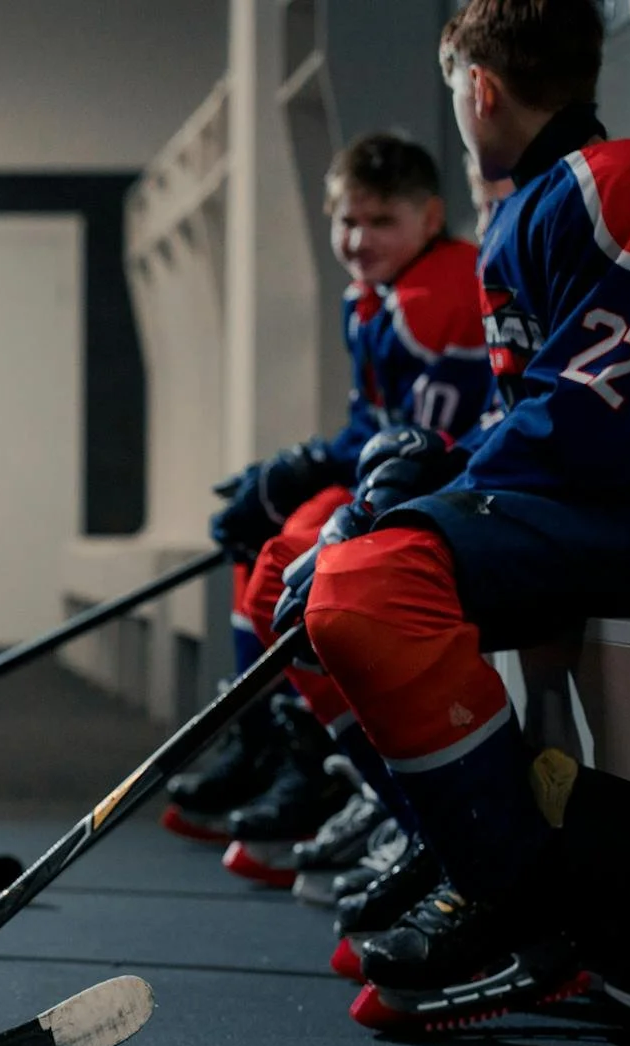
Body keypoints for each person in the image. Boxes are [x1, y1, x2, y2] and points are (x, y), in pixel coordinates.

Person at [277, 0, 630, 1029]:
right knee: (318, 583)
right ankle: (468, 840)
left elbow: (601, 427)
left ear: (477, 89)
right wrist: (443, 469)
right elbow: (565, 415)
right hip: (622, 500)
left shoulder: (624, 181)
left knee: (363, 584)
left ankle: (522, 898)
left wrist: (445, 480)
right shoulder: (562, 193)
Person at [182, 134, 493, 877]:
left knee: (286, 561)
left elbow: (429, 444)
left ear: (430, 216)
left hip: (448, 496)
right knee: (259, 540)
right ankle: (274, 738)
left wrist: (315, 473)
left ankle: (351, 773)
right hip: (399, 478)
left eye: (381, 222)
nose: (359, 241)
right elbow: (374, 430)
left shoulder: (436, 295)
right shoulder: (374, 299)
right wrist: (295, 466)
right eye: (347, 222)